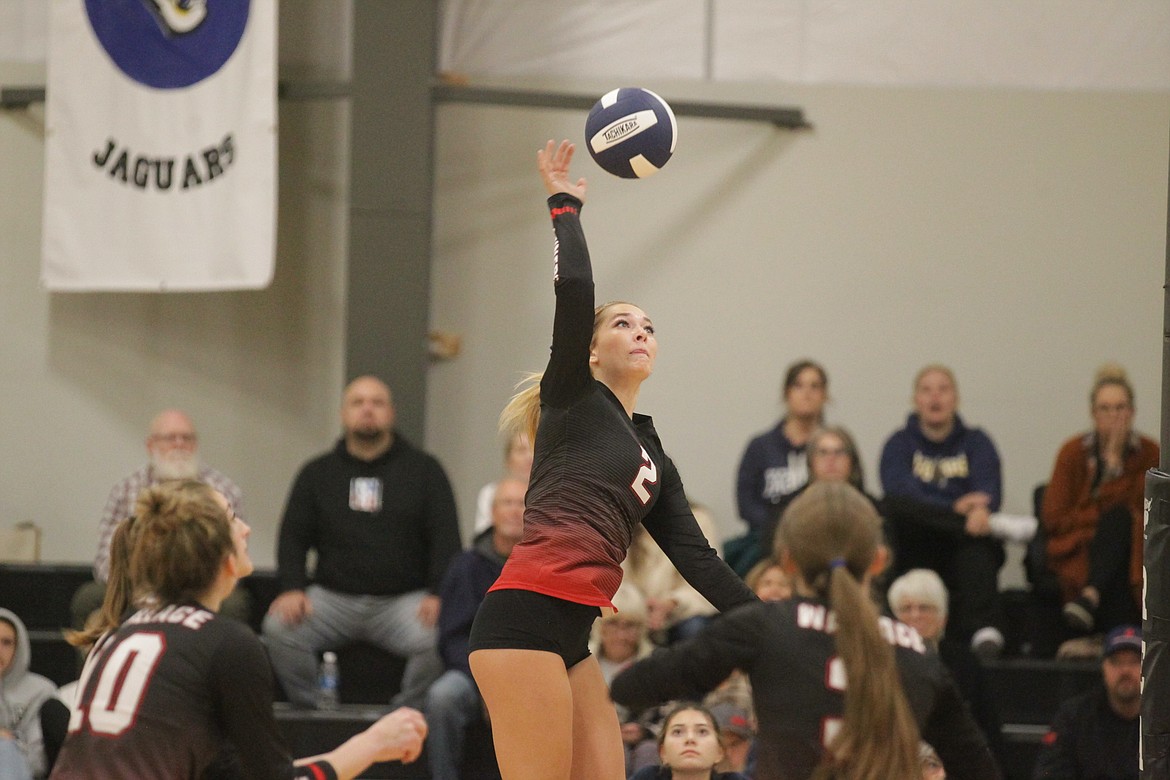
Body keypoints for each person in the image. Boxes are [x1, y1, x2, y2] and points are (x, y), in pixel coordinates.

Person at [467, 140, 757, 780]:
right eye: (624, 323)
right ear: (592, 352)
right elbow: (573, 289)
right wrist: (563, 203)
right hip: (521, 619)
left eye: (649, 326)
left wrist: (772, 622)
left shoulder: (653, 455)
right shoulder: (571, 394)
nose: (642, 332)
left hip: (574, 640)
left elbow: (699, 560)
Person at [610, 481, 1002, 780]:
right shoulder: (917, 651)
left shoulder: (763, 627)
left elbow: (632, 688)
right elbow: (978, 768)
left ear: (787, 562)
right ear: (879, 562)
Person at [50, 480, 428, 780]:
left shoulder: (118, 632)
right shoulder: (224, 642)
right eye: (233, 518)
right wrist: (372, 744)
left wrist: (371, 745)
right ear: (218, 551)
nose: (245, 529)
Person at [263, 375, 462, 710]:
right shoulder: (317, 473)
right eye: (358, 402)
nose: (367, 409)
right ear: (343, 414)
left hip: (402, 603)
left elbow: (446, 538)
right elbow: (292, 537)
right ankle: (315, 711)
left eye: (377, 402)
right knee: (278, 628)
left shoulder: (425, 471)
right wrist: (292, 587)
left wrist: (438, 593)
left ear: (392, 413)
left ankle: (402, 715)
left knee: (440, 635)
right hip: (332, 600)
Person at [879, 364, 1029, 658]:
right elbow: (900, 494)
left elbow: (989, 496)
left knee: (977, 541)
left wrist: (951, 509)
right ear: (915, 400)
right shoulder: (898, 444)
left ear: (956, 398)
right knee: (893, 508)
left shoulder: (977, 442)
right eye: (926, 390)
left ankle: (985, 630)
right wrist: (954, 508)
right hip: (916, 544)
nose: (935, 397)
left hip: (963, 546)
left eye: (943, 389)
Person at [71, 409, 248, 631]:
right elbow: (107, 559)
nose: (179, 444)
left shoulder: (223, 490)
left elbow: (235, 554)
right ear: (150, 446)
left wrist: (199, 593)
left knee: (235, 604)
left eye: (187, 438)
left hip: (205, 588)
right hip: (140, 589)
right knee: (88, 598)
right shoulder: (126, 490)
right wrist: (148, 594)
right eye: (170, 438)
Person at [1041, 364, 1158, 636]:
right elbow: (1054, 518)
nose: (1114, 416)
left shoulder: (1150, 454)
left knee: (1122, 526)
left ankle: (1091, 600)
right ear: (1093, 413)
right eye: (1106, 408)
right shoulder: (1072, 452)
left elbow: (1146, 512)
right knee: (1116, 524)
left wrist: (1114, 468)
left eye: (1121, 408)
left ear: (1132, 412)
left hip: (1131, 549)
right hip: (1080, 548)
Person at [424, 476, 526, 780]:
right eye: (506, 503)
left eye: (522, 504)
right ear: (492, 512)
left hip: (531, 673)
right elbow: (452, 638)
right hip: (473, 673)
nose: (514, 511)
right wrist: (486, 683)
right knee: (443, 697)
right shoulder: (466, 566)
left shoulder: (548, 566)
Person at [888, 568, 1006, 771]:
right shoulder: (880, 663)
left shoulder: (965, 663)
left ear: (943, 617)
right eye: (906, 609)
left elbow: (986, 729)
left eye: (925, 608)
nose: (915, 616)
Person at [730, 359, 829, 574]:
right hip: (766, 540)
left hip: (821, 541)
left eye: (815, 386)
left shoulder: (831, 447)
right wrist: (779, 529)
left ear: (825, 396)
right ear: (786, 393)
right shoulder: (761, 446)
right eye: (799, 385)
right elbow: (745, 502)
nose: (807, 393)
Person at [1032, 624, 1140, 779]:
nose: (1125, 671)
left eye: (1134, 661)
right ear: (1103, 667)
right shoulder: (1074, 716)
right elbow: (1049, 772)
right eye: (1116, 662)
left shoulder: (1163, 718)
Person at [624, 501, 722, 646]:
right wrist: (637, 608)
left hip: (680, 616)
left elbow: (709, 585)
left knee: (694, 629)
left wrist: (672, 603)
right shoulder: (622, 519)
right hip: (631, 614)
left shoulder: (697, 520)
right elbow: (616, 583)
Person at [0, 609, 56, 780]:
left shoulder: (41, 691)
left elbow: (38, 761)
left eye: (6, 642)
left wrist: (10, 744)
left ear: (20, 646)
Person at [628, 702, 749, 780]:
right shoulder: (647, 777)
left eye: (702, 731)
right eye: (678, 732)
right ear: (663, 752)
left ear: (719, 752)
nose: (690, 739)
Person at [472, 432, 533, 537]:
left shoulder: (553, 496)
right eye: (521, 450)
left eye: (534, 450)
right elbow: (483, 535)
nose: (529, 457)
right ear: (508, 459)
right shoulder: (490, 493)